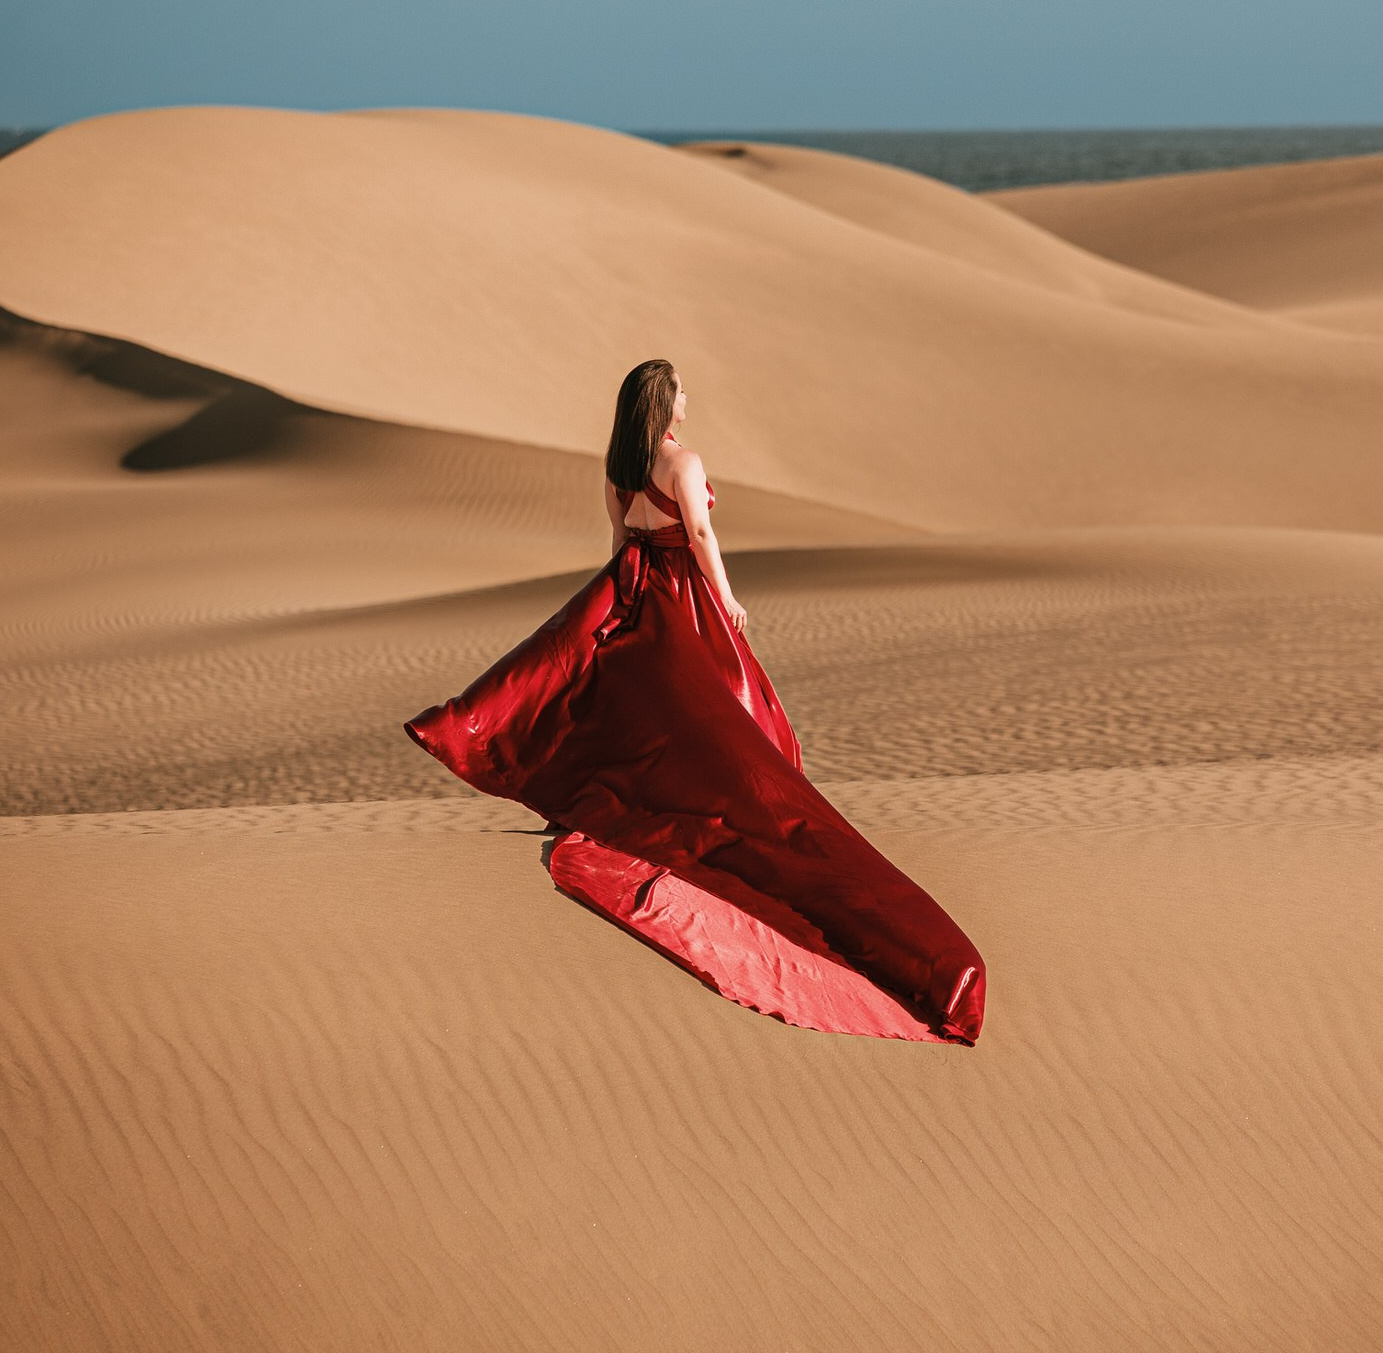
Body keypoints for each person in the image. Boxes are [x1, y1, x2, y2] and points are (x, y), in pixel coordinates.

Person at [405, 359, 985, 1045]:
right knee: (734, 724)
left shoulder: (620, 466)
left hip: (638, 592)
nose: (689, 398)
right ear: (664, 402)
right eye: (681, 389)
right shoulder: (681, 462)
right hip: (684, 595)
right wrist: (726, 596)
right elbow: (702, 536)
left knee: (655, 717)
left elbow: (621, 544)